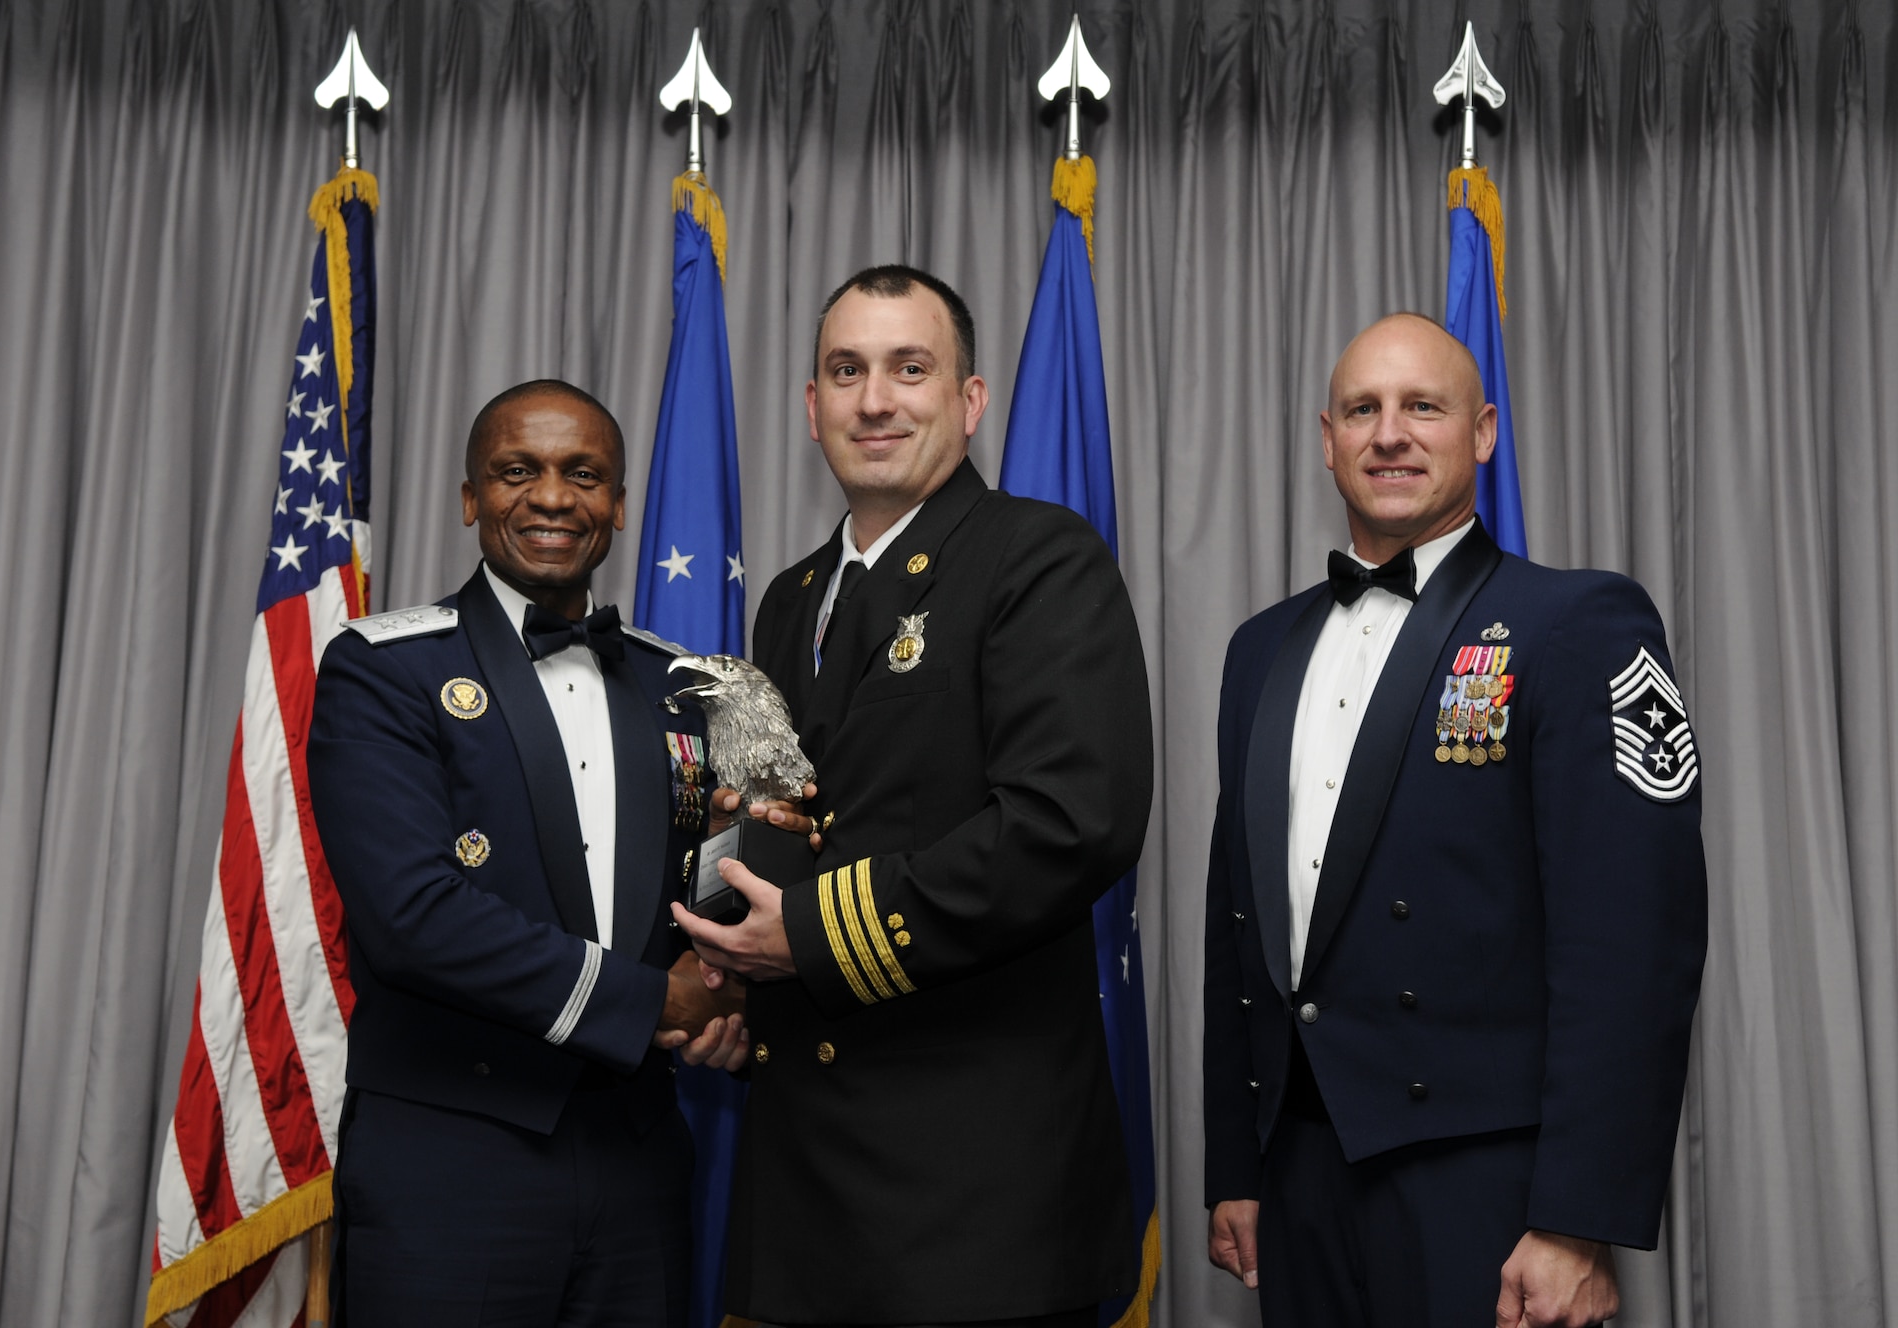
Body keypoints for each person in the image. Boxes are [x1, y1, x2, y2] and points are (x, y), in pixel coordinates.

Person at [1201, 314, 1708, 1328]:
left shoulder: (1576, 623)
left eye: (1421, 407)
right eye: (1362, 409)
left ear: (1481, 432)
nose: (1389, 432)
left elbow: (1632, 941)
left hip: (1491, 1180)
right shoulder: (1260, 647)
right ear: (1327, 439)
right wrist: (1235, 1165)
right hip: (1298, 1169)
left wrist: (1576, 1218)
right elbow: (1237, 921)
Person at [672, 265, 1154, 1326]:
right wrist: (732, 985)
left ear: (969, 400)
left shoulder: (1037, 558)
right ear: (812, 407)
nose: (875, 400)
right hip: (807, 1186)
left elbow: (1069, 824)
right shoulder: (791, 601)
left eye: (909, 368)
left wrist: (806, 937)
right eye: (846, 372)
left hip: (977, 1196)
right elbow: (790, 826)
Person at [307, 380, 746, 1327]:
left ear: (618, 504)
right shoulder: (383, 668)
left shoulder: (682, 689)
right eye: (518, 471)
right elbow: (413, 919)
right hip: (450, 1161)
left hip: (639, 1160)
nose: (552, 497)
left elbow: (708, 893)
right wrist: (655, 1003)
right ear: (472, 497)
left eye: (583, 475)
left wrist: (732, 994)